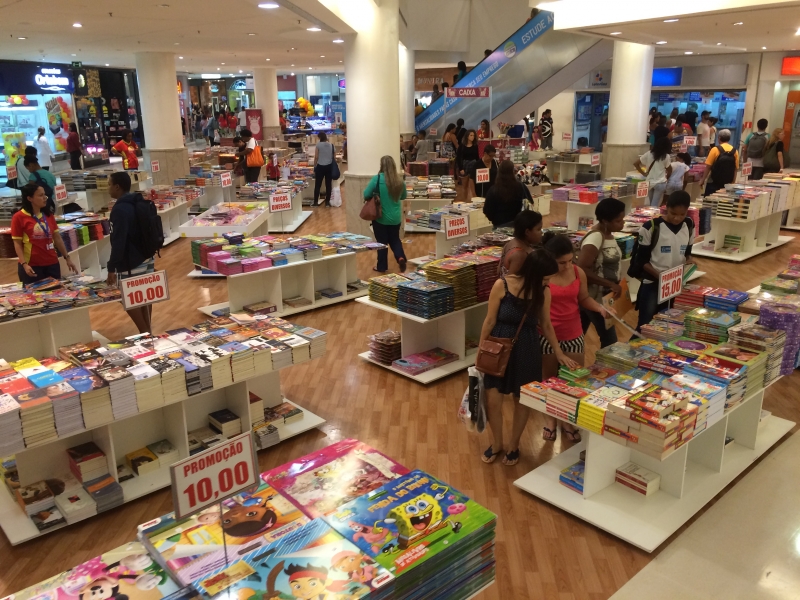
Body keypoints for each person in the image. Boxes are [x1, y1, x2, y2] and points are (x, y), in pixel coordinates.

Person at [479, 249, 573, 466]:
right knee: (493, 399)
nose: (549, 281)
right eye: (546, 276)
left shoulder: (544, 291)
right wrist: (482, 350)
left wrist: (558, 352)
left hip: (527, 348)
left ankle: (513, 444)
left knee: (522, 399)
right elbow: (490, 320)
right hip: (499, 346)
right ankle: (497, 442)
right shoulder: (501, 285)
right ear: (534, 272)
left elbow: (546, 324)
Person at [541, 233, 612, 442]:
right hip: (547, 333)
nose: (566, 266)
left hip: (573, 332)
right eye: (561, 262)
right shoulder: (543, 276)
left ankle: (567, 419)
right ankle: (550, 419)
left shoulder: (577, 272)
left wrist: (599, 308)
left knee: (572, 380)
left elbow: (583, 298)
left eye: (570, 260)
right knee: (550, 380)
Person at [633, 191, 695, 331]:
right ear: (666, 207)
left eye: (682, 214)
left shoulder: (689, 225)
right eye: (673, 213)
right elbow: (642, 261)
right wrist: (661, 276)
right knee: (645, 325)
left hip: (674, 283)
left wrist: (690, 263)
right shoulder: (651, 227)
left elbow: (688, 254)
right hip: (652, 283)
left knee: (665, 324)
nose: (677, 218)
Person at [106, 171, 157, 334]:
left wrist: (112, 267)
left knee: (127, 296)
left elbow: (118, 240)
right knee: (144, 295)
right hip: (147, 255)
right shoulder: (138, 201)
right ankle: (148, 331)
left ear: (117, 187)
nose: (108, 188)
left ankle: (144, 332)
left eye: (109, 184)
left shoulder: (119, 210)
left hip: (130, 260)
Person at [576, 198, 626, 349]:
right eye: (618, 220)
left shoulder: (608, 235)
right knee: (610, 341)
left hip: (602, 295)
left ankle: (565, 366)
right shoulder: (596, 237)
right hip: (596, 297)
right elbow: (582, 268)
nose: (622, 223)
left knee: (577, 335)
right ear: (605, 221)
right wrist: (610, 284)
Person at [11, 183, 77, 285]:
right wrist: (24, 264)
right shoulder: (19, 217)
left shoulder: (48, 215)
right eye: (40, 195)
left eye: (44, 195)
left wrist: (67, 258)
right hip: (32, 266)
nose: (45, 198)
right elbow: (17, 243)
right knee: (34, 298)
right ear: (30, 198)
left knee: (56, 295)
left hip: (52, 263)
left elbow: (57, 238)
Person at [364, 156, 407, 273]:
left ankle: (382, 266)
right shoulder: (399, 181)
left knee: (381, 243)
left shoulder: (377, 179)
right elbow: (404, 196)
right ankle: (400, 257)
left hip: (381, 218)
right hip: (396, 218)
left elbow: (366, 194)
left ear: (381, 165)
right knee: (395, 239)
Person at [483, 160, 531, 228]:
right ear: (513, 171)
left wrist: (494, 220)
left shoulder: (493, 189)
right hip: (518, 225)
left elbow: (487, 210)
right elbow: (529, 202)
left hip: (499, 225)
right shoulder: (521, 186)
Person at [499, 210, 543, 276]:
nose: (541, 232)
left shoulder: (510, 243)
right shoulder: (520, 255)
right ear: (527, 232)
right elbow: (511, 282)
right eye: (538, 229)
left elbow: (498, 270)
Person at [634, 136, 673, 207]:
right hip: (660, 182)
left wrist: (643, 173)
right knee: (654, 204)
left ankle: (650, 216)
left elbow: (636, 163)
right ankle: (653, 217)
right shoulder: (666, 156)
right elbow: (670, 170)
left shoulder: (649, 153)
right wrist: (667, 177)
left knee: (650, 203)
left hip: (649, 182)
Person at [699, 129, 738, 196]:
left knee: (710, 201)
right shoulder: (735, 151)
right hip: (727, 183)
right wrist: (733, 182)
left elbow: (708, 167)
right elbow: (735, 169)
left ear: (719, 138)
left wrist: (702, 179)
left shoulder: (715, 149)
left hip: (713, 182)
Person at [312, 131, 335, 207]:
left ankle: (315, 202)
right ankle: (327, 202)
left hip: (320, 167)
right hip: (329, 167)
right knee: (328, 185)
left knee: (318, 185)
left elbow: (316, 157)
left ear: (320, 138)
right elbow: (334, 157)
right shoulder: (331, 145)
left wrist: (314, 166)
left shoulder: (318, 145)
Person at [456, 129, 479, 197]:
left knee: (473, 186)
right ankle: (465, 200)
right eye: (471, 135)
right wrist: (461, 168)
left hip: (473, 166)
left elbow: (477, 157)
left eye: (473, 135)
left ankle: (473, 201)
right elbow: (459, 158)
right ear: (467, 136)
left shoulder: (475, 146)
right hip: (465, 166)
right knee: (464, 186)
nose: (472, 137)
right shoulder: (462, 146)